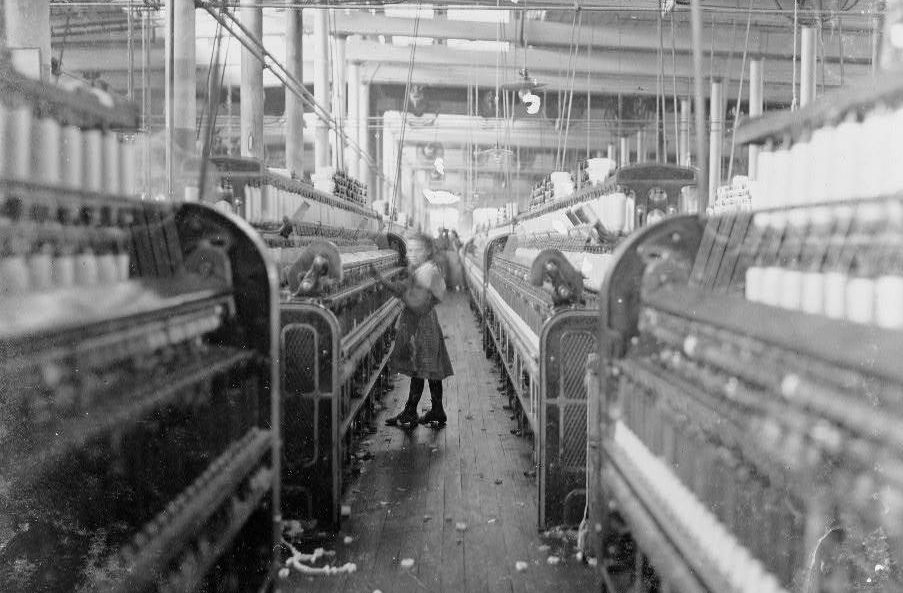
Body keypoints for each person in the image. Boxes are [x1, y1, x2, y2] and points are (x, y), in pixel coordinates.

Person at [369, 234, 454, 428]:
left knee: (421, 367)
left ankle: (412, 411)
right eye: (410, 250)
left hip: (421, 324)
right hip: (426, 323)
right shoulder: (425, 269)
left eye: (417, 250)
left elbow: (417, 303)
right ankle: (435, 410)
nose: (411, 254)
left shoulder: (426, 272)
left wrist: (383, 281)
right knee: (429, 368)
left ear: (427, 252)